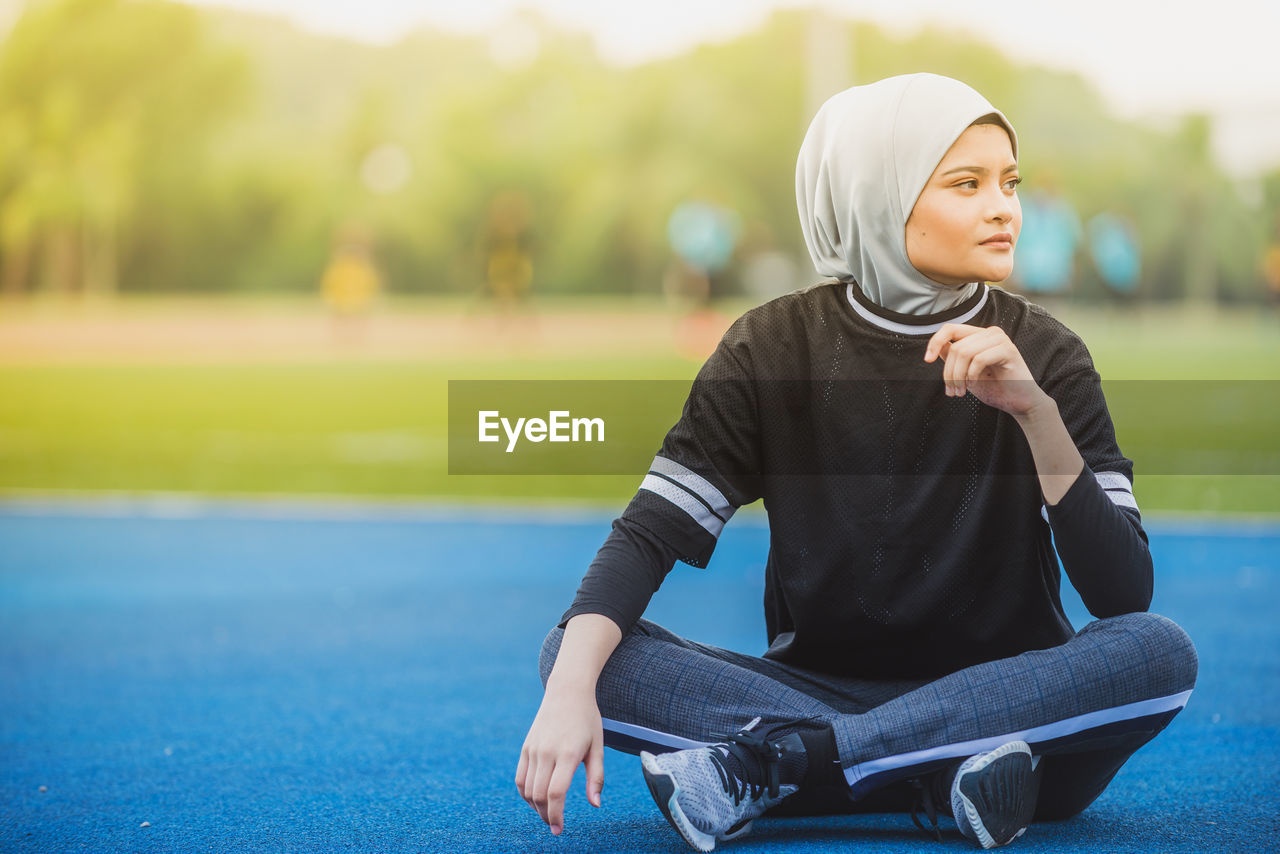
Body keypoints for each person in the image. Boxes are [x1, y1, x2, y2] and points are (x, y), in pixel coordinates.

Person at [516, 73, 1198, 851]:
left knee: (1159, 651)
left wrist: (1036, 415)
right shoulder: (771, 348)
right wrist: (570, 688)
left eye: (1008, 182)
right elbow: (648, 534)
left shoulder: (1049, 355)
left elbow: (1123, 595)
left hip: (1010, 703)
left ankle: (784, 765)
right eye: (966, 184)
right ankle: (930, 778)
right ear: (878, 194)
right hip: (836, 697)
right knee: (575, 653)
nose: (1003, 206)